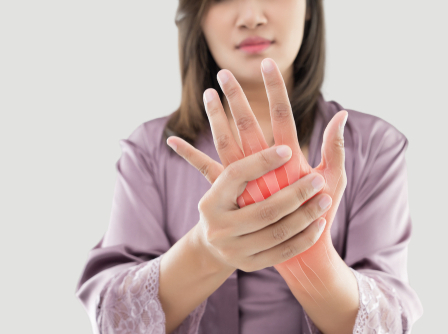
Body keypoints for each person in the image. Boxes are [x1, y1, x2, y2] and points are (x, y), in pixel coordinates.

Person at [75, 1, 424, 333]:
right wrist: (205, 252)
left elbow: (390, 325)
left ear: (309, 7)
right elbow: (111, 322)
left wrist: (315, 265)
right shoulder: (149, 152)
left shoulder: (375, 146)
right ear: (196, 12)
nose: (251, 16)